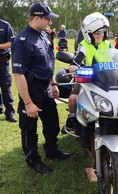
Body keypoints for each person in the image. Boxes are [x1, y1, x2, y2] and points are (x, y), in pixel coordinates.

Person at [12, 2, 70, 174]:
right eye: (47, 19)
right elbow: (18, 74)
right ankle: (33, 159)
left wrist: (53, 83)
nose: (50, 23)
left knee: (52, 123)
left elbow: (48, 63)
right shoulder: (22, 40)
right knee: (29, 128)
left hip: (46, 88)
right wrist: (28, 102)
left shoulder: (44, 35)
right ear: (36, 18)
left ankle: (51, 150)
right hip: (31, 89)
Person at [65, 12, 112, 131]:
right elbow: (75, 62)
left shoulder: (107, 45)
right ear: (88, 34)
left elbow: (117, 56)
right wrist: (75, 67)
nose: (100, 36)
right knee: (72, 99)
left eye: (103, 32)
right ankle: (72, 120)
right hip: (87, 79)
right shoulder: (84, 46)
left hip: (105, 79)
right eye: (97, 33)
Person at [0, 18, 17, 122]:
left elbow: (12, 42)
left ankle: (10, 113)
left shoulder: (5, 25)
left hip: (2, 59)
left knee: (5, 86)